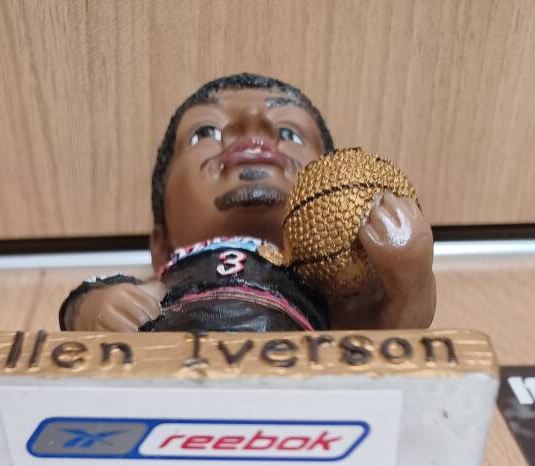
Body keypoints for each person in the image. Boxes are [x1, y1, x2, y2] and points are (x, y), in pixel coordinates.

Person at [60, 73, 436, 334]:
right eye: (206, 132)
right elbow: (80, 306)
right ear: (161, 246)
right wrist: (96, 309)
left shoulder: (321, 293)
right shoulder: (172, 280)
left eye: (289, 133)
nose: (254, 126)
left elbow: (385, 332)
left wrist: (407, 275)